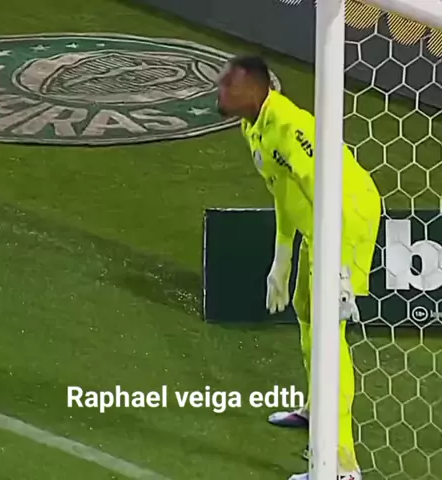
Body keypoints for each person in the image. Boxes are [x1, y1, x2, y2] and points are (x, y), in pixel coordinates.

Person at [216, 55, 381, 480]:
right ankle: (316, 409)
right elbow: (285, 193)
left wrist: (339, 267)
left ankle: (343, 466)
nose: (221, 92)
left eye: (229, 85)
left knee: (329, 336)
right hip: (317, 224)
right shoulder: (253, 126)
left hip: (346, 220)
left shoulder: (290, 127)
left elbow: (328, 190)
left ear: (255, 89)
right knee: (308, 315)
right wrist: (282, 257)